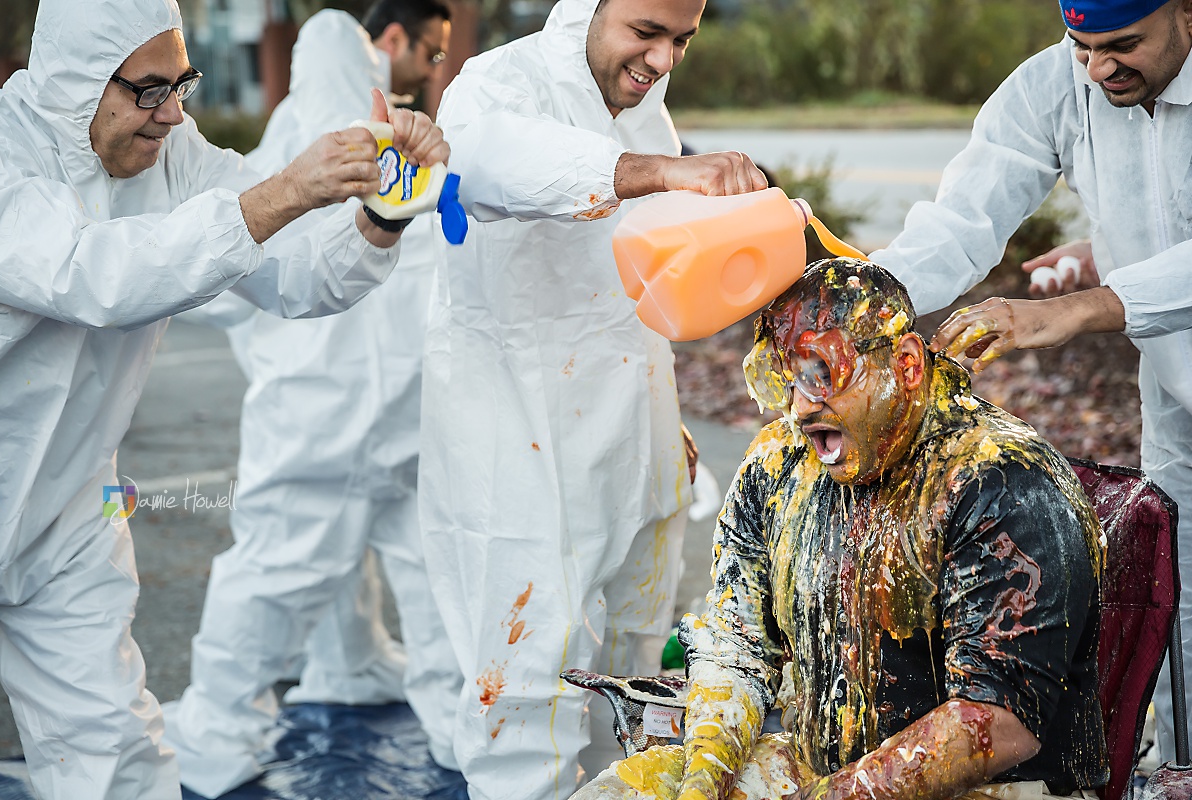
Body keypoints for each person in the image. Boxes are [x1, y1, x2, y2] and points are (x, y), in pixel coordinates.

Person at [0, 0, 449, 796]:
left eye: (183, 84)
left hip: (62, 513)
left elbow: (294, 272)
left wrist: (381, 214)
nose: (172, 112)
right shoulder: (1, 154)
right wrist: (286, 191)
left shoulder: (171, 155)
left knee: (115, 756)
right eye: (148, 91)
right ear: (75, 82)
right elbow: (92, 274)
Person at [574, 259, 1107, 800]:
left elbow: (998, 723)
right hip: (818, 772)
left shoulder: (1000, 481)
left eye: (822, 373)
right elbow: (737, 645)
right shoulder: (778, 464)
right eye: (785, 376)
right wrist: (705, 774)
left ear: (905, 366)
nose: (802, 408)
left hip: (994, 787)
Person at [417, 0, 769, 798]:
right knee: (526, 675)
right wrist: (665, 172)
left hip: (629, 419)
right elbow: (493, 163)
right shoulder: (498, 84)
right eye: (646, 33)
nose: (663, 60)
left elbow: (642, 282)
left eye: (682, 40)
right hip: (518, 433)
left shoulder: (647, 114)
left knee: (636, 666)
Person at [862, 0, 1192, 761]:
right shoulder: (1059, 85)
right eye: (1082, 47)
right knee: (1176, 620)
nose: (1100, 68)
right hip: (1174, 395)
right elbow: (962, 216)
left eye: (1123, 45)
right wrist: (869, 302)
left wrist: (1076, 309)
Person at [163, 3, 464, 797]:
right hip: (355, 408)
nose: (430, 66)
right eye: (426, 51)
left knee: (304, 566)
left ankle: (324, 679)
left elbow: (229, 286)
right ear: (381, 49)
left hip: (338, 408)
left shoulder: (301, 140)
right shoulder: (358, 145)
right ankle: (225, 732)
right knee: (334, 568)